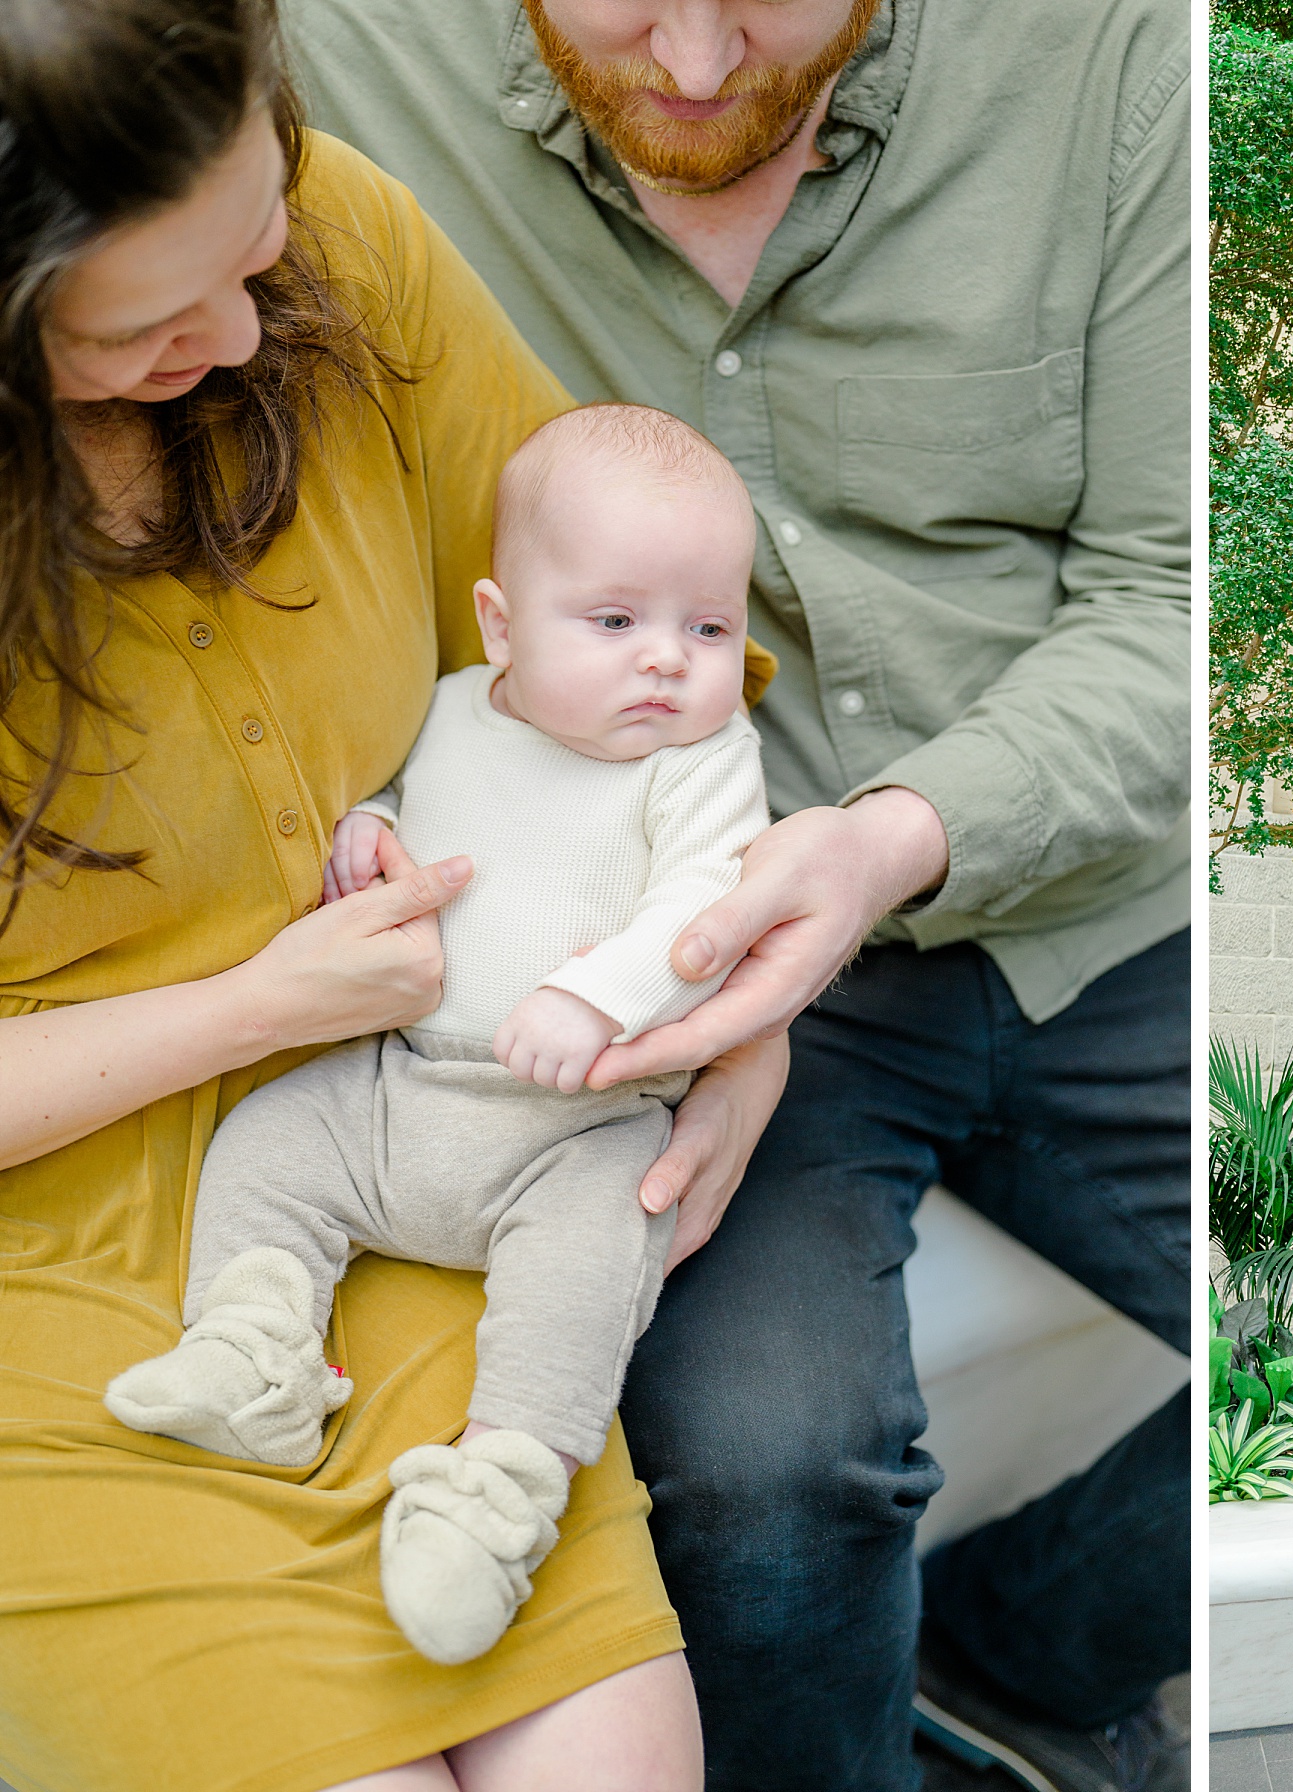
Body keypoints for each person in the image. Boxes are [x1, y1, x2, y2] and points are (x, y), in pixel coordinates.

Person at [280, 2, 1193, 1786]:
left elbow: (1175, 594)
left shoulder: (1113, 60)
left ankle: (1022, 1654)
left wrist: (887, 834)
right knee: (767, 1466)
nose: (694, 65)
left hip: (1098, 902)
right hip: (692, 956)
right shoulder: (331, 48)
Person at [0, 2, 788, 1786]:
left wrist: (729, 1005)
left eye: (254, 222)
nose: (241, 326)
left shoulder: (342, 237)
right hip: (41, 1289)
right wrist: (254, 1007)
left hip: (431, 1167)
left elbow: (625, 670)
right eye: (137, 323)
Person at [104, 404, 770, 1667]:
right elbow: (415, 797)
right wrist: (369, 825)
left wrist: (603, 996)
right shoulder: (461, 705)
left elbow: (709, 902)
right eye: (617, 621)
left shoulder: (703, 761)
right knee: (268, 1143)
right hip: (397, 1093)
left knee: (586, 1272)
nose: (668, 663)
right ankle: (256, 1354)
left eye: (710, 627)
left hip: (575, 1129)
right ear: (503, 625)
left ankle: (499, 1489)